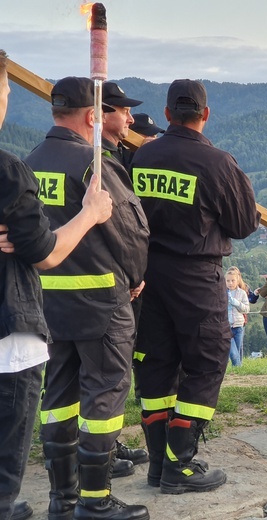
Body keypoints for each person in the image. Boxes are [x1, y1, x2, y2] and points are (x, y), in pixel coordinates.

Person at [25, 76, 150, 520]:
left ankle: (63, 500)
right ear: (93, 115)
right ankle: (97, 502)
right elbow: (130, 230)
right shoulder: (92, 164)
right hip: (101, 304)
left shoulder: (29, 162)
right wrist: (136, 277)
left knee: (56, 395)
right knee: (104, 395)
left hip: (48, 308)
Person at [131, 79, 260, 494]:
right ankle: (180, 465)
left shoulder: (142, 155)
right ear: (205, 115)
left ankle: (157, 464)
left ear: (167, 114)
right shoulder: (218, 163)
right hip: (195, 276)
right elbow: (242, 225)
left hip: (147, 275)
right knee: (206, 361)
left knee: (155, 364)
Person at [0, 51, 113, 520]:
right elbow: (44, 251)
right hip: (12, 328)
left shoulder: (27, 160)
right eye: (6, 88)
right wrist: (91, 214)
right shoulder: (8, 171)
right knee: (7, 451)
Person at [101, 80, 151, 475]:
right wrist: (136, 275)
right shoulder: (103, 163)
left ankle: (105, 446)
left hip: (78, 290)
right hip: (108, 289)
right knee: (106, 378)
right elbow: (128, 229)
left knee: (89, 379)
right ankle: (101, 457)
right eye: (123, 111)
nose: (130, 120)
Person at [101, 81, 143, 169]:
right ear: (103, 115)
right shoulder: (95, 157)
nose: (131, 120)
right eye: (125, 112)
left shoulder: (123, 153)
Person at [226, 266, 249, 366]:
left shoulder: (242, 293)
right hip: (226, 327)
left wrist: (235, 302)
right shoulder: (222, 293)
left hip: (239, 326)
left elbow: (246, 309)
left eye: (232, 280)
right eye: (228, 281)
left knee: (238, 352)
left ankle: (238, 374)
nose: (230, 283)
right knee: (233, 354)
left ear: (237, 280)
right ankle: (236, 370)